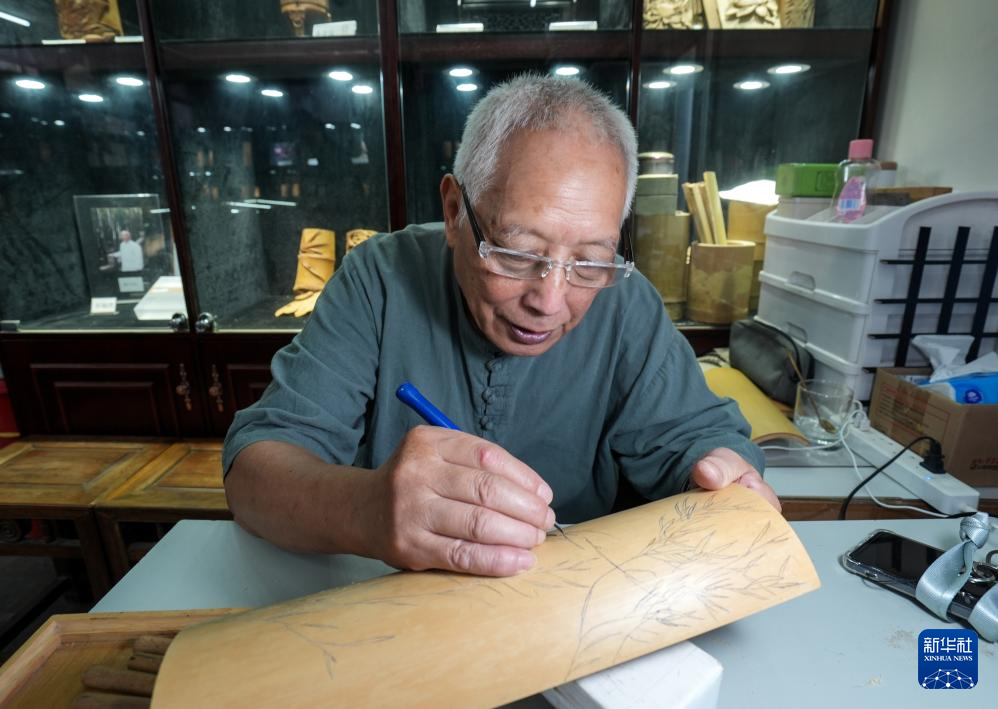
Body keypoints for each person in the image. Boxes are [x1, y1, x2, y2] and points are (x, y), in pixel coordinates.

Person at [223, 74, 778, 578]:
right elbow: (255, 472)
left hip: (579, 608)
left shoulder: (625, 301)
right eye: (516, 253)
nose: (550, 302)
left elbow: (700, 441)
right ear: (453, 211)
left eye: (590, 260)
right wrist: (365, 509)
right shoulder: (380, 279)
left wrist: (723, 475)